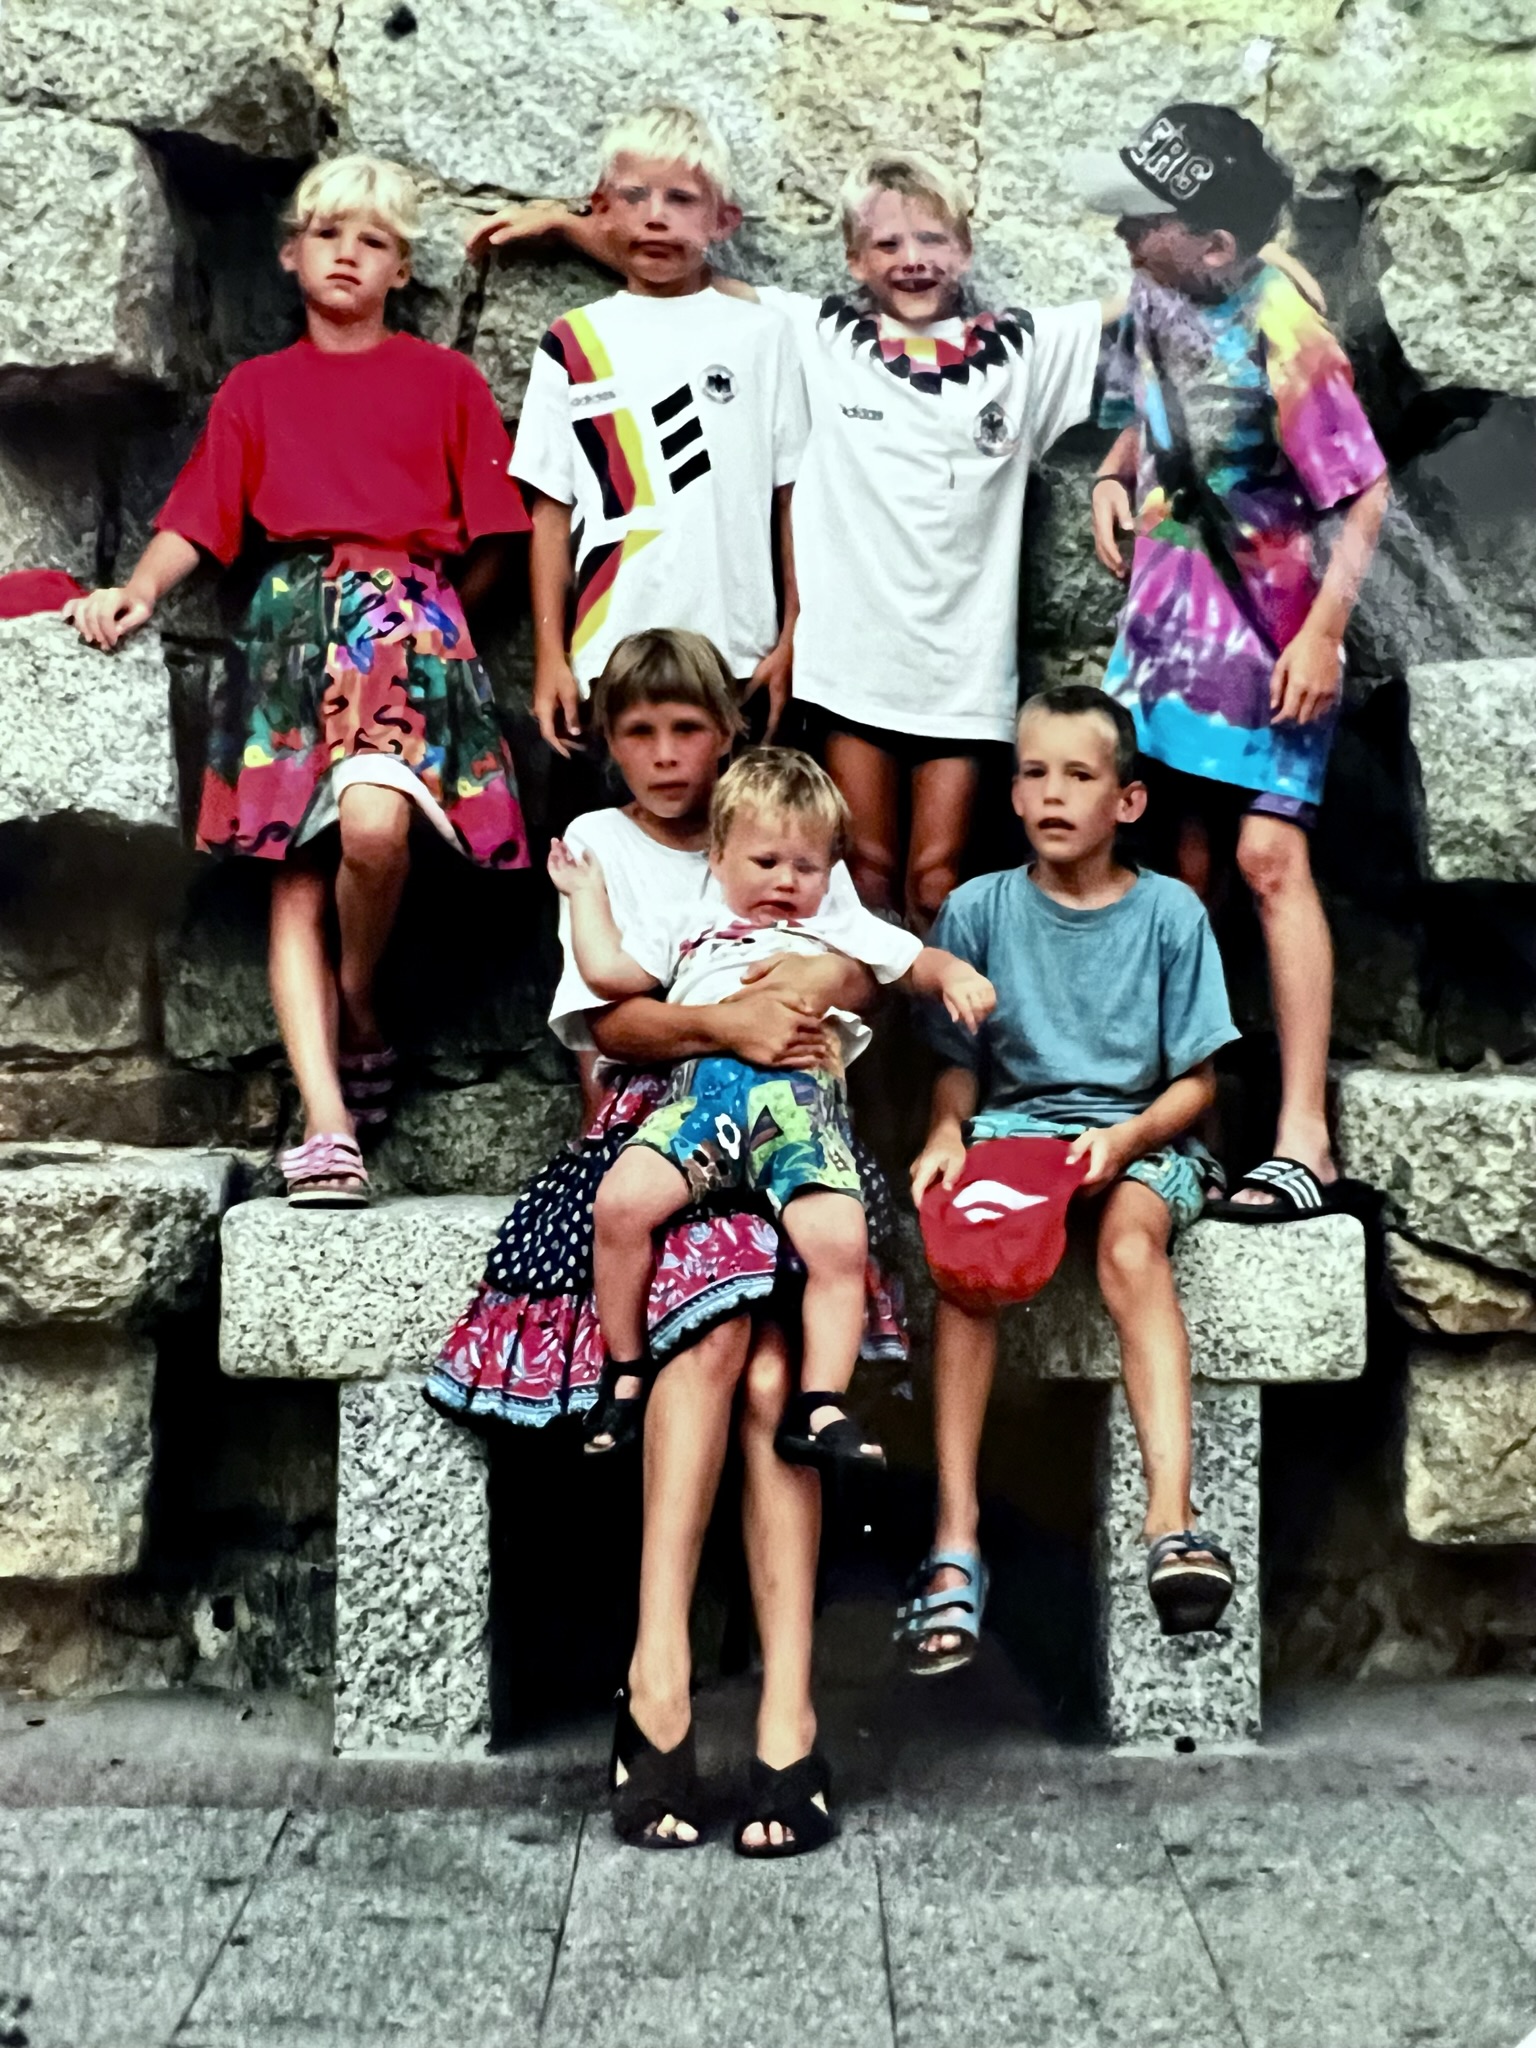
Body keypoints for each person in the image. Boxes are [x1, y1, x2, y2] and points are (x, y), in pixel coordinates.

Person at [427, 633, 889, 1855]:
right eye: (640, 731)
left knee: (781, 1376)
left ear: (728, 738)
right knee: (721, 1333)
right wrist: (729, 1019)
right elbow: (613, 1020)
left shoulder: (784, 831)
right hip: (657, 1128)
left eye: (689, 729)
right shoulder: (602, 845)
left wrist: (814, 982)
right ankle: (661, 1670)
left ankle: (787, 1710)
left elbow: (862, 969)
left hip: (790, 1130)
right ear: (609, 742)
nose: (667, 754)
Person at [473, 147, 1113, 933]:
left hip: (965, 665)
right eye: (887, 243)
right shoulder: (822, 333)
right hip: (849, 660)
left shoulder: (1019, 347)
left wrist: (1248, 252)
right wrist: (572, 227)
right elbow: (684, 268)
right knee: (861, 875)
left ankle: (932, 1018)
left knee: (937, 881)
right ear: (854, 259)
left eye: (932, 240)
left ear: (966, 249)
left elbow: (1140, 310)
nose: (912, 259)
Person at [65, 155, 530, 1206]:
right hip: (286, 627)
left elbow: (500, 532)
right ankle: (328, 1127)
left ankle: (358, 998)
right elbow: (199, 516)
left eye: (374, 241)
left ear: (400, 268)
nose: (347, 255)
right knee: (295, 874)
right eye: (328, 235)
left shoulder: (445, 381)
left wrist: (431, 615)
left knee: (374, 827)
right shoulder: (258, 389)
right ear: (291, 254)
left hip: (403, 625)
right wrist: (136, 589)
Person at [1074, 104, 1389, 1219]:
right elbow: (1144, 413)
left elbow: (1363, 492)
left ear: (1214, 242)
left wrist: (1324, 634)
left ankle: (1305, 1138)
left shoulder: (1283, 327)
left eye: (1145, 217)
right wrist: (1112, 477)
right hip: (1165, 639)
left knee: (1268, 858)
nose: (1124, 231)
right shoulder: (1152, 298)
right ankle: (1190, 1128)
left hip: (1270, 641)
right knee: (1181, 866)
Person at [901, 685, 1241, 1672]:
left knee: (1132, 1248)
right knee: (966, 1266)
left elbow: (1196, 1084)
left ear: (1127, 801)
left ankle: (1171, 1520)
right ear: (1012, 795)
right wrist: (946, 1133)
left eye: (1080, 775)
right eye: (1035, 774)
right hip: (1013, 1135)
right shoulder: (977, 909)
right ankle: (955, 1539)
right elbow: (957, 1065)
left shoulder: (1170, 913)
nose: (1053, 794)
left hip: (1140, 1139)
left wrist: (1125, 1141)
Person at [550, 745, 994, 1469]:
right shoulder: (688, 921)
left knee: (840, 1239)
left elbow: (913, 961)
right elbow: (608, 972)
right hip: (704, 1103)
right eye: (765, 862)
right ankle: (626, 1369)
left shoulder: (834, 929)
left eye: (806, 867)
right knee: (622, 1205)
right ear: (719, 857)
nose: (786, 881)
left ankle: (820, 1403)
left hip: (798, 1110)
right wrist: (584, 894)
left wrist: (956, 975)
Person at [496, 103, 807, 761]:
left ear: (723, 220)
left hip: (737, 657)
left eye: (681, 199)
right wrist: (551, 656)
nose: (656, 216)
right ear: (601, 208)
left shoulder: (764, 336)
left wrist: (792, 636)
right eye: (635, 196)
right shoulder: (574, 340)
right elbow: (550, 513)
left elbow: (794, 501)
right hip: (609, 654)